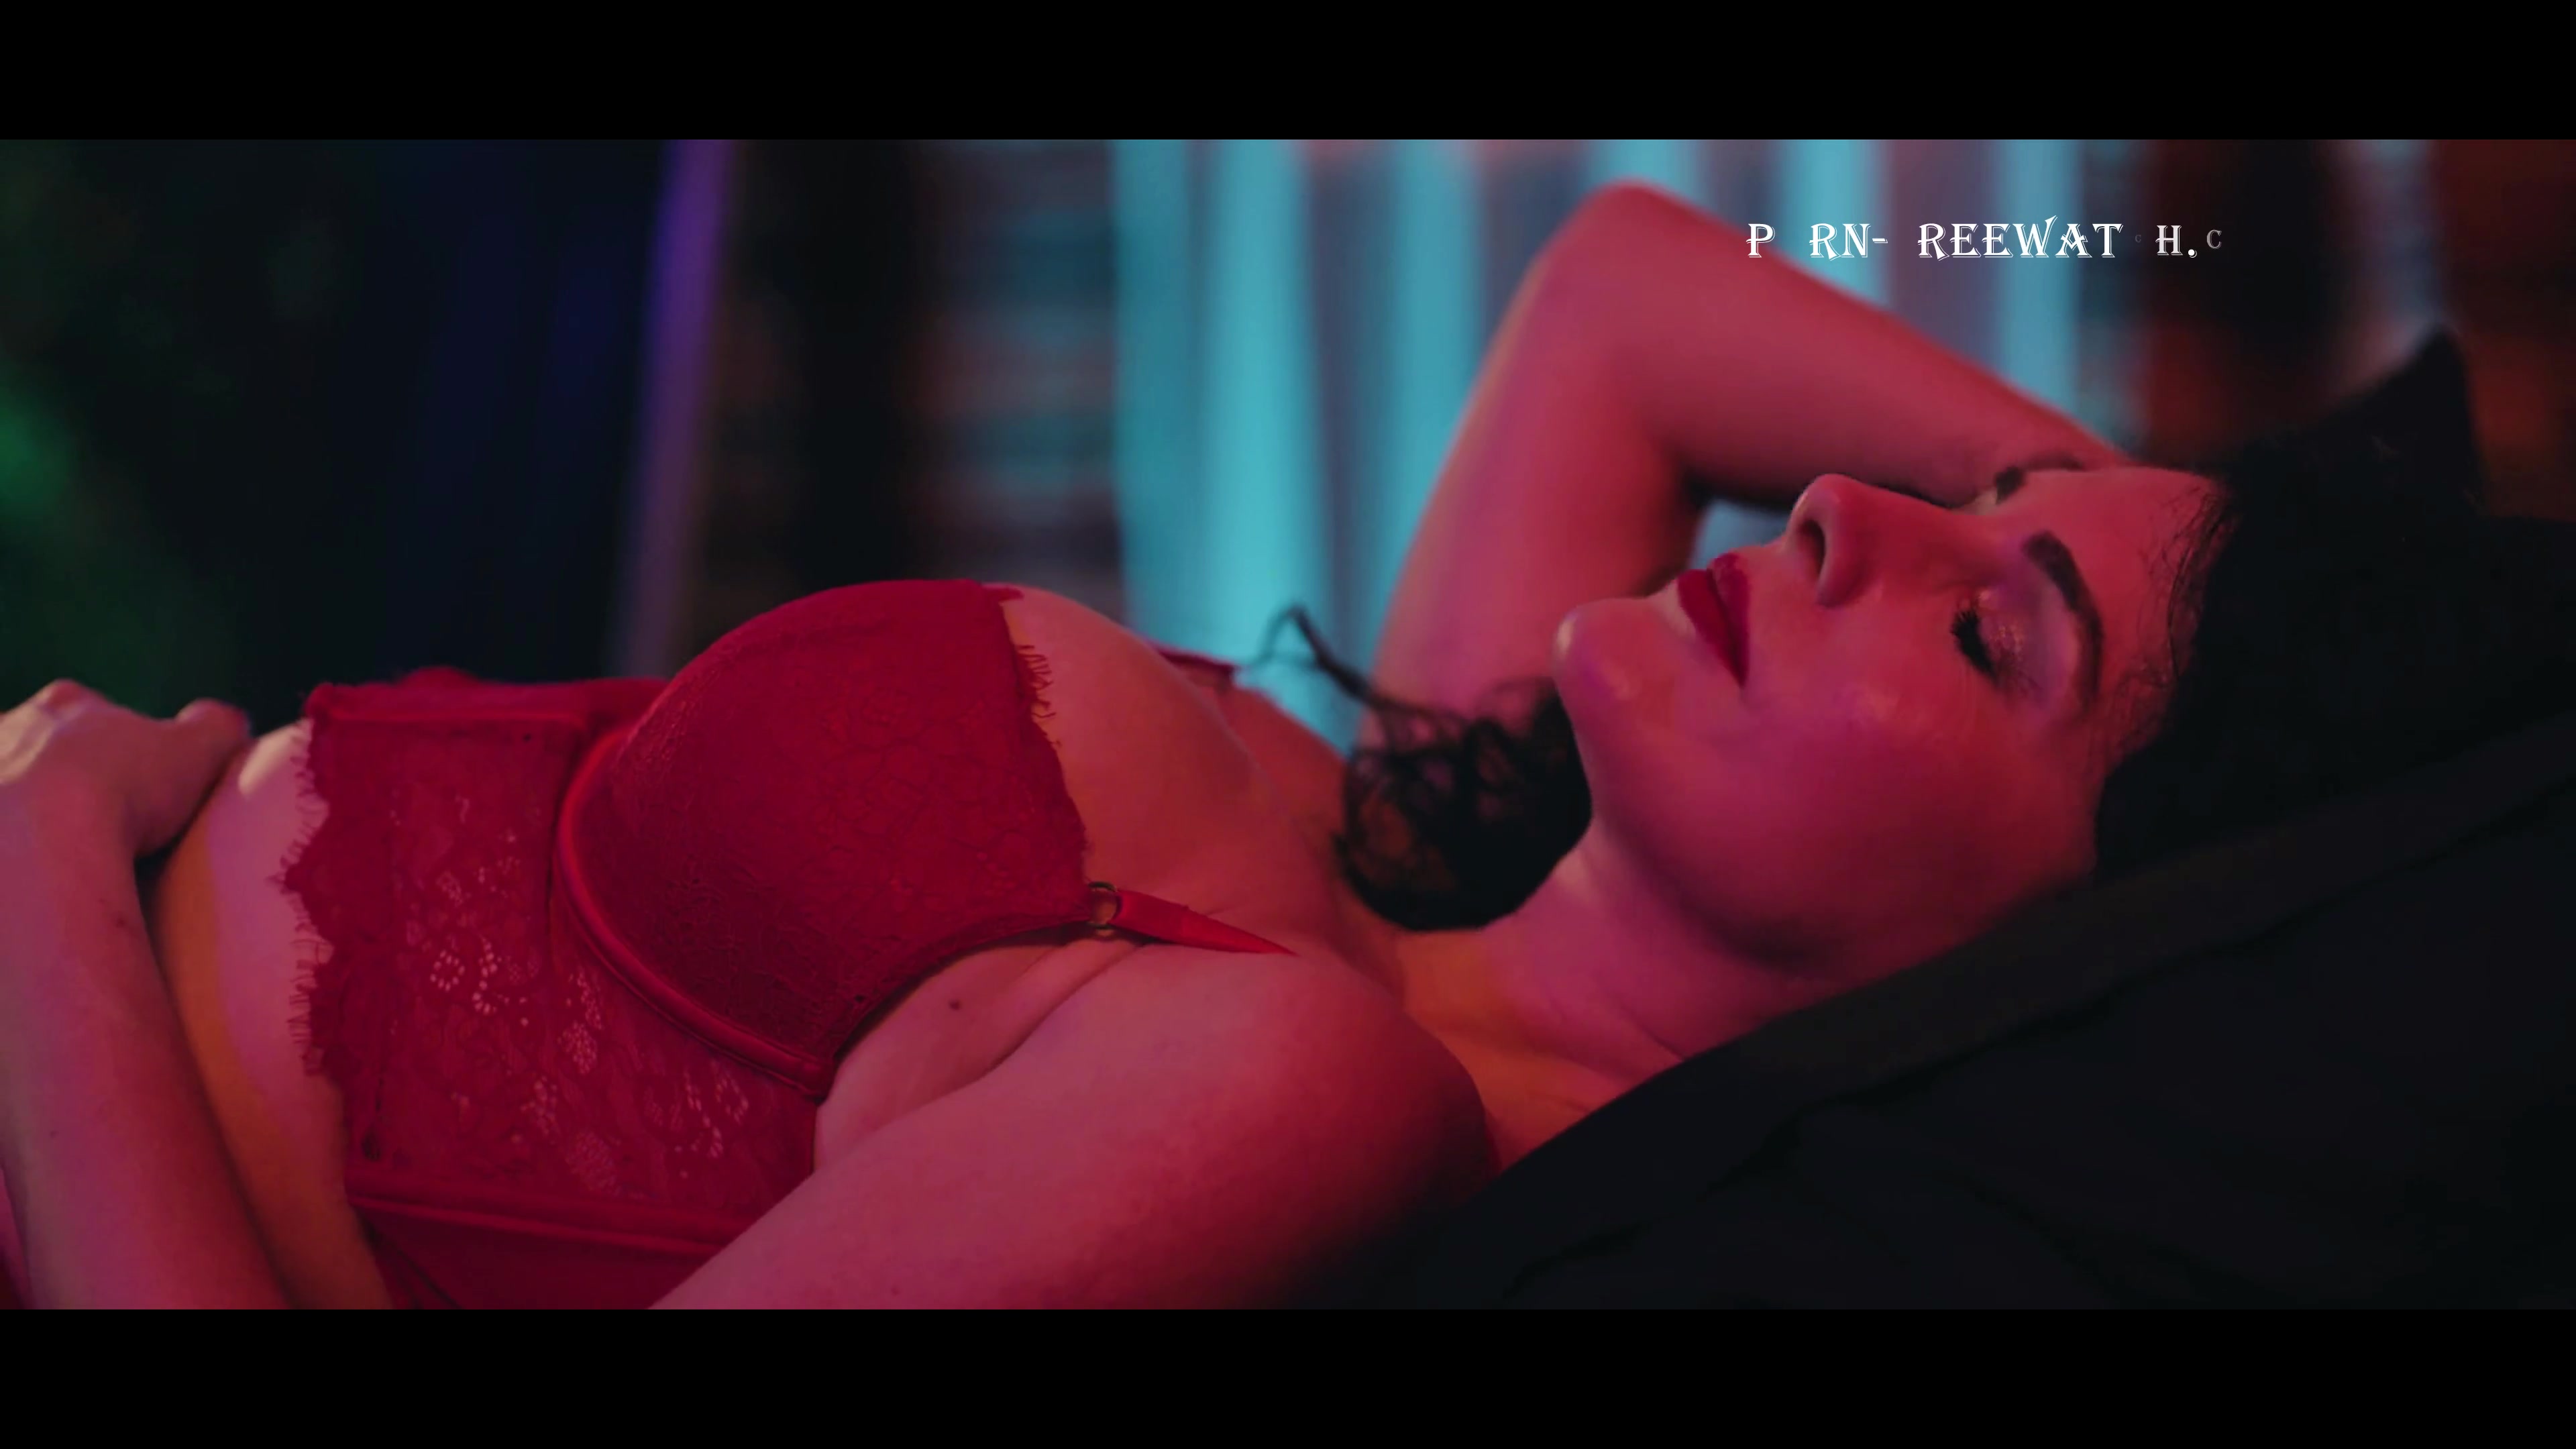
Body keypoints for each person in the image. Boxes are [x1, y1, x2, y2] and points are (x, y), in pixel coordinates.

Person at [4, 184, 2563, 1309]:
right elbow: (1627, 298)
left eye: (1987, 640)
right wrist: (2136, 544)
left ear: (2046, 961)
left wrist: (49, 883)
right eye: (1955, 499)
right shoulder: (1426, 849)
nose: (1843, 510)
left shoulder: (1311, 1093)